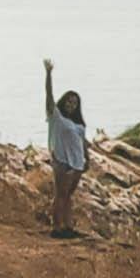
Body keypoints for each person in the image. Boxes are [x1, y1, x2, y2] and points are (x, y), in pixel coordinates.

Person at [42, 58, 88, 236]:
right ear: (64, 102)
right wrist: (48, 74)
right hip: (62, 160)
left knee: (68, 196)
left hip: (77, 163)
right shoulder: (57, 117)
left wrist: (87, 159)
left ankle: (68, 226)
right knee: (60, 195)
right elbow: (49, 95)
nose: (71, 104)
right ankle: (57, 227)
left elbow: (82, 141)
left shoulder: (78, 123)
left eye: (75, 103)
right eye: (69, 101)